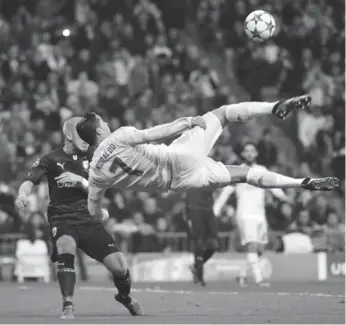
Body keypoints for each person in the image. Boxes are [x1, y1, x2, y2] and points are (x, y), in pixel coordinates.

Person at [75, 95, 339, 221]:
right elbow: (154, 133)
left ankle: (302, 182)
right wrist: (187, 122)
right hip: (178, 157)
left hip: (179, 183)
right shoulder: (118, 136)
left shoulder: (95, 176)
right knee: (223, 113)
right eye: (103, 122)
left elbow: (94, 211)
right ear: (99, 130)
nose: (107, 122)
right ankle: (273, 107)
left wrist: (104, 215)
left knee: (244, 175)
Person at [15, 117, 143, 320]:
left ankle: (124, 297)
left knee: (119, 267)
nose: (87, 136)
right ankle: (68, 304)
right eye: (82, 132)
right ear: (68, 135)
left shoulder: (94, 156)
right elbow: (29, 181)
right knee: (67, 247)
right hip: (62, 219)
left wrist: (80, 181)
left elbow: (101, 189)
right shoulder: (50, 159)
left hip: (89, 219)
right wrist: (22, 195)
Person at [213, 142, 292, 286]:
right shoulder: (237, 171)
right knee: (252, 246)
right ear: (242, 154)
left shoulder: (262, 170)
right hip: (244, 214)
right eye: (246, 151)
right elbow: (226, 192)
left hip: (260, 215)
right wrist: (216, 210)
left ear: (256, 153)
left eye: (252, 150)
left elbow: (273, 186)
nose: (249, 153)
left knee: (260, 249)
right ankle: (259, 279)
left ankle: (242, 275)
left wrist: (284, 197)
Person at [185, 190, 218, 286]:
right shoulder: (190, 180)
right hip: (195, 211)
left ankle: (195, 267)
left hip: (208, 211)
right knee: (199, 243)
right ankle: (199, 276)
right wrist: (188, 217)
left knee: (214, 245)